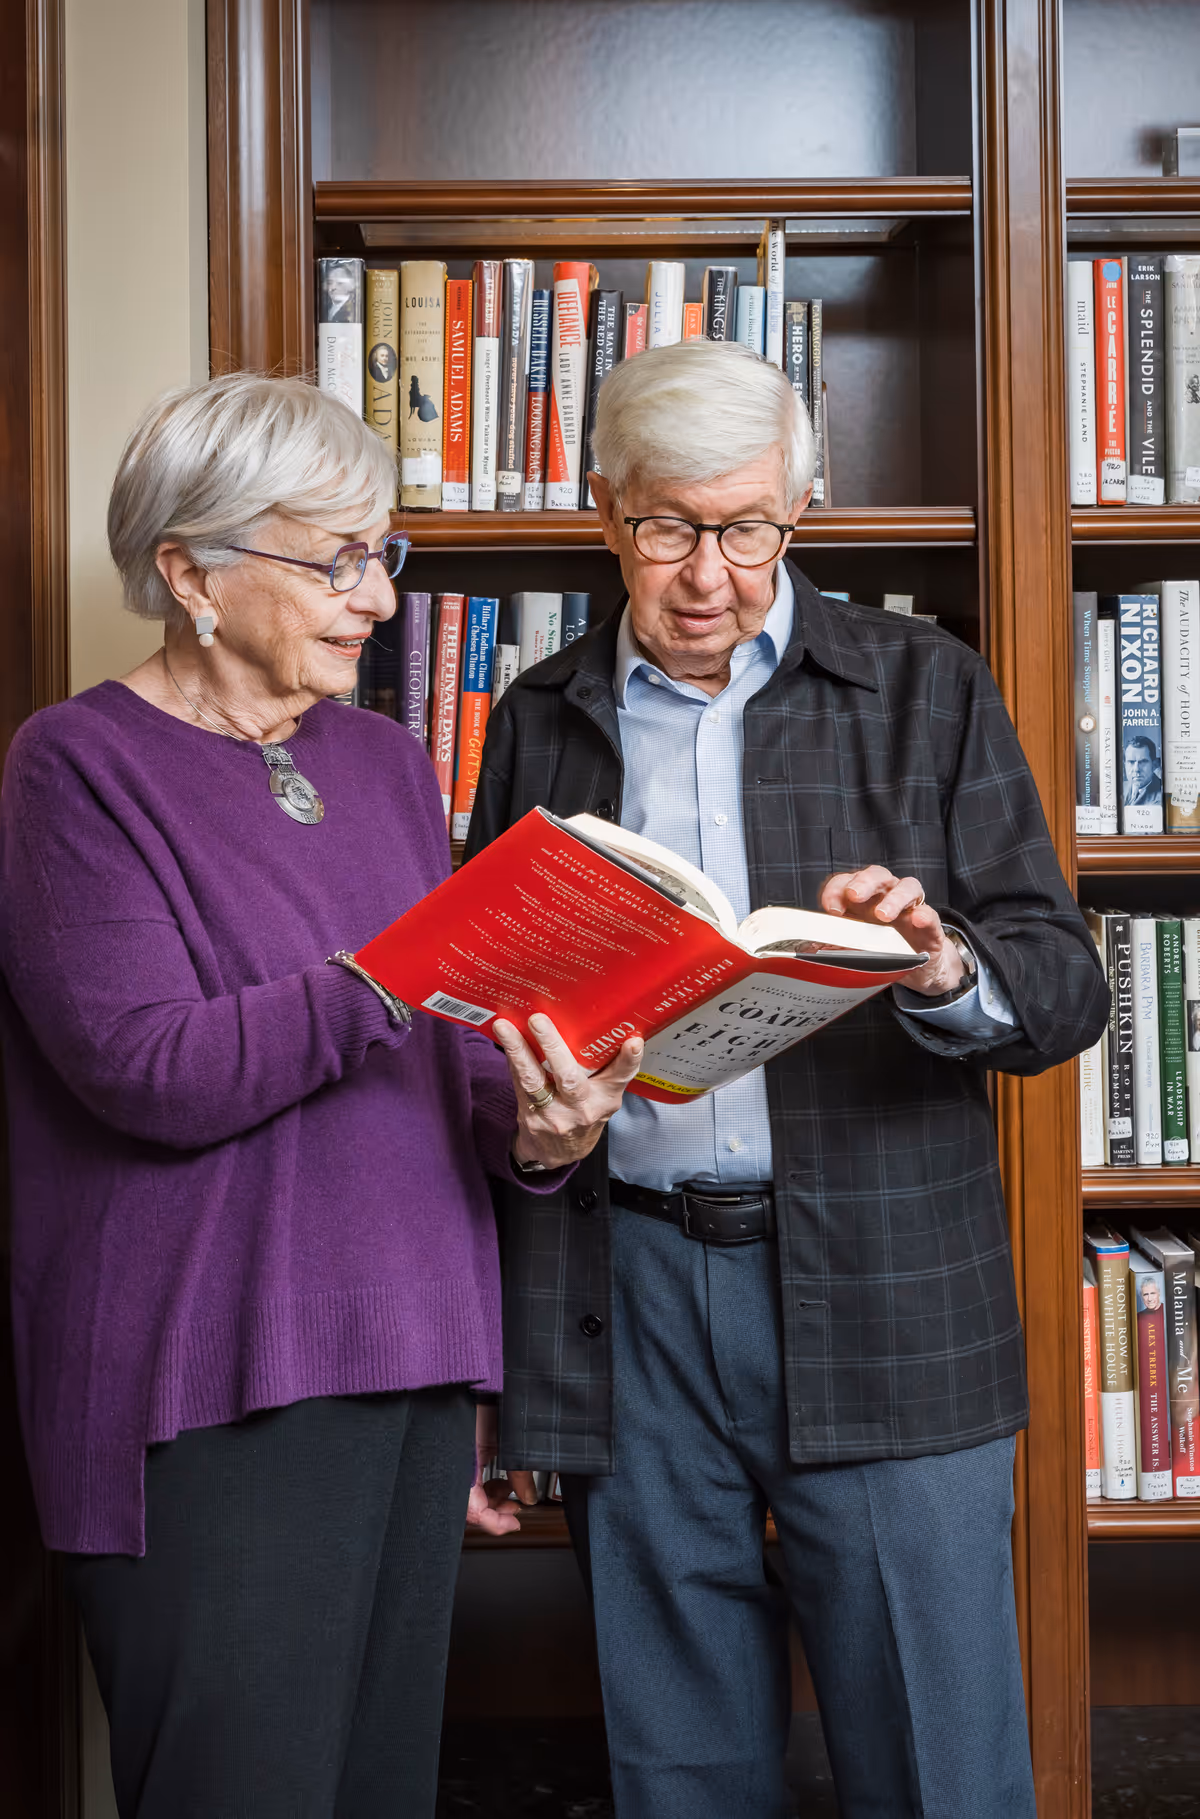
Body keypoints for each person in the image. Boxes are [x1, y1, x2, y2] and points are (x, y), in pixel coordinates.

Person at [465, 339, 1110, 1819]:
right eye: (669, 527)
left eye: (749, 527)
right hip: (626, 1291)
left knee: (939, 1758)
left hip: (889, 1278)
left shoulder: (919, 686)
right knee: (677, 1759)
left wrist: (941, 965)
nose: (711, 571)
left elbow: (1063, 987)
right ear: (605, 512)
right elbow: (486, 1029)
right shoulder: (540, 716)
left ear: (797, 513)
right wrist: (541, 1113)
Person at [0, 373, 641, 1819]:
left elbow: (451, 1054)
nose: (378, 598)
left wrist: (540, 1124)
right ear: (189, 571)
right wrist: (385, 977)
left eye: (384, 555)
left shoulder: (386, 762)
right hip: (213, 1381)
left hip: (411, 1354)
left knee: (376, 1794)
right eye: (334, 559)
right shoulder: (78, 765)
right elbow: (147, 1067)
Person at [1123, 731, 1162, 806]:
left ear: (1154, 765)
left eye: (1143, 762)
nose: (1136, 769)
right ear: (1125, 764)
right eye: (1131, 762)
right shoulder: (1119, 788)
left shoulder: (1161, 797)